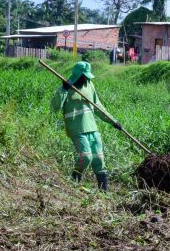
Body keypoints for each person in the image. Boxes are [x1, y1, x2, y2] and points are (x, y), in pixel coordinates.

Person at [50, 61, 122, 191]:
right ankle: (73, 180)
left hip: (92, 127)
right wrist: (63, 89)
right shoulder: (66, 87)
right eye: (85, 76)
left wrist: (113, 121)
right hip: (76, 128)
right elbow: (55, 107)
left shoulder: (89, 85)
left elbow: (98, 106)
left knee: (99, 159)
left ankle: (103, 193)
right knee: (86, 157)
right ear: (78, 75)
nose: (87, 78)